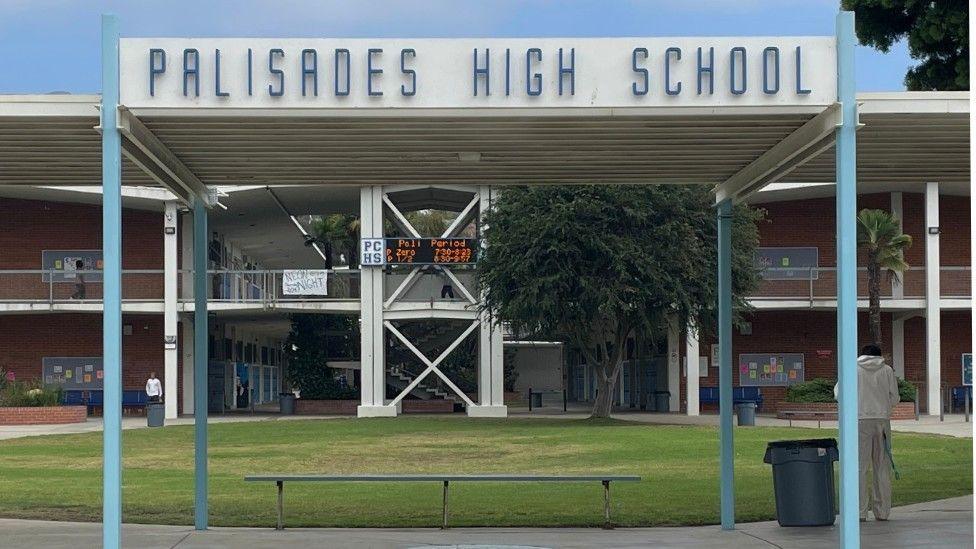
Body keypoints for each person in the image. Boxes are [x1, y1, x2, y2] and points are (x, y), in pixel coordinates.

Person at [835, 344, 900, 522]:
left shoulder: (851, 369)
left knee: (859, 467)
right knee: (881, 466)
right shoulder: (887, 370)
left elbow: (839, 394)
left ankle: (859, 512)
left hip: (859, 420)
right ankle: (882, 511)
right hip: (882, 421)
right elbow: (895, 397)